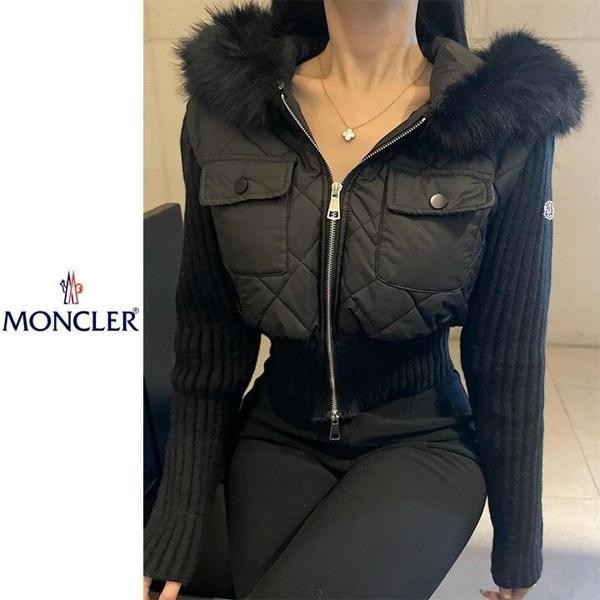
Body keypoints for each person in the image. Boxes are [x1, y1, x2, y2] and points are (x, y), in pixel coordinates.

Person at [143, 0, 588, 599]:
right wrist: (174, 527)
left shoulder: (504, 117)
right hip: (276, 435)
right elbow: (209, 341)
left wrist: (518, 545)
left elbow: (508, 354)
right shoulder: (229, 109)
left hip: (423, 439)